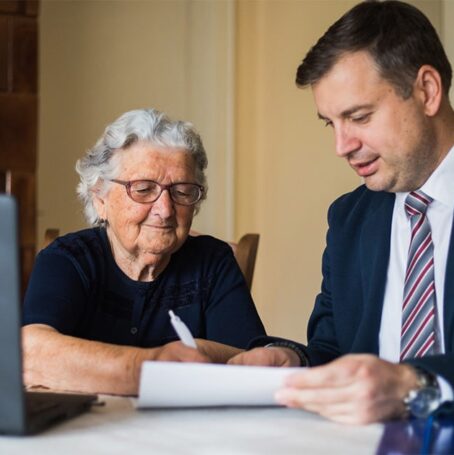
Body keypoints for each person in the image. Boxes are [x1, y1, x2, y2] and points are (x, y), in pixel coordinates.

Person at [229, 0, 454, 424]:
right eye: (330, 123)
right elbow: (333, 352)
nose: (342, 146)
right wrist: (293, 361)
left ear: (427, 91)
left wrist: (416, 385)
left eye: (359, 116)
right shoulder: (350, 219)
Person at [22, 108, 265, 396]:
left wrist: (198, 353)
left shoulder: (213, 261)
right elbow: (30, 354)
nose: (164, 210)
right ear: (100, 199)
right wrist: (149, 368)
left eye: (182, 191)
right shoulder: (68, 259)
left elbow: (254, 362)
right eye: (143, 189)